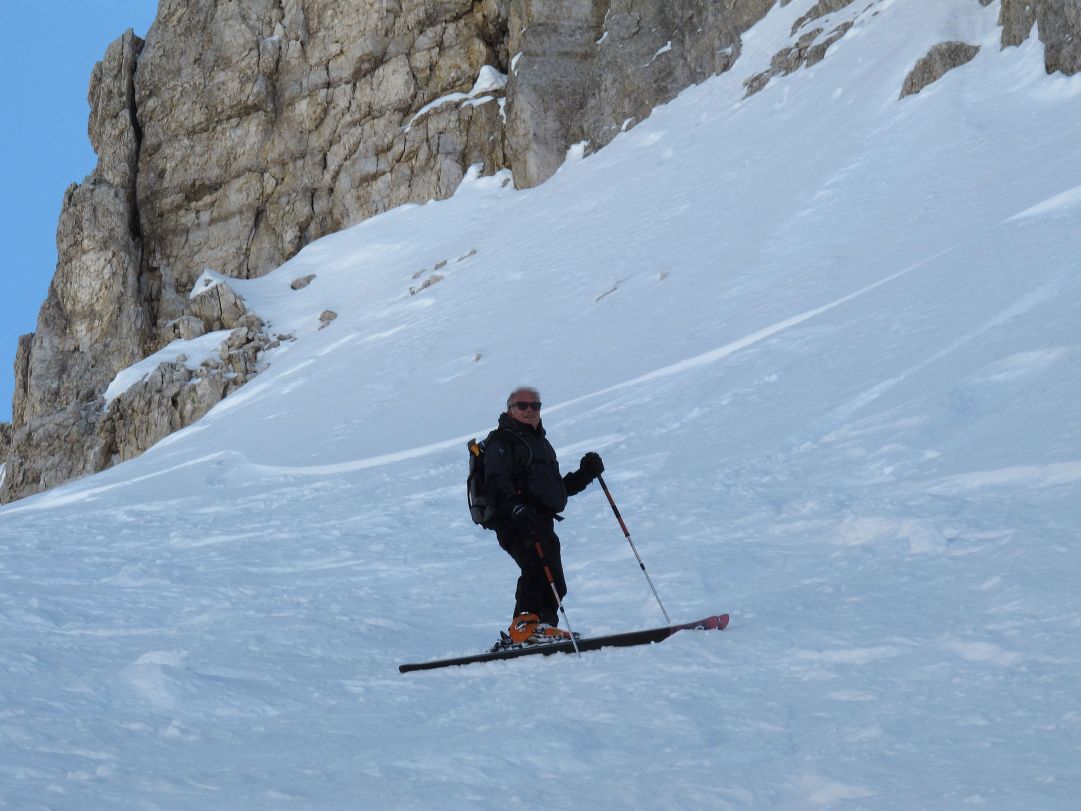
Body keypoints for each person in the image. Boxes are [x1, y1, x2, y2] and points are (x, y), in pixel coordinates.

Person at [483, 386, 605, 644]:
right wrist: (515, 505)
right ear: (510, 410)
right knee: (536, 567)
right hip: (515, 519)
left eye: (535, 406)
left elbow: (552, 490)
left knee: (555, 581)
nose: (530, 411)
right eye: (522, 406)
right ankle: (524, 625)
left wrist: (585, 474)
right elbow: (496, 477)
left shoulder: (541, 444)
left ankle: (543, 627)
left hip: (540, 519)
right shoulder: (502, 440)